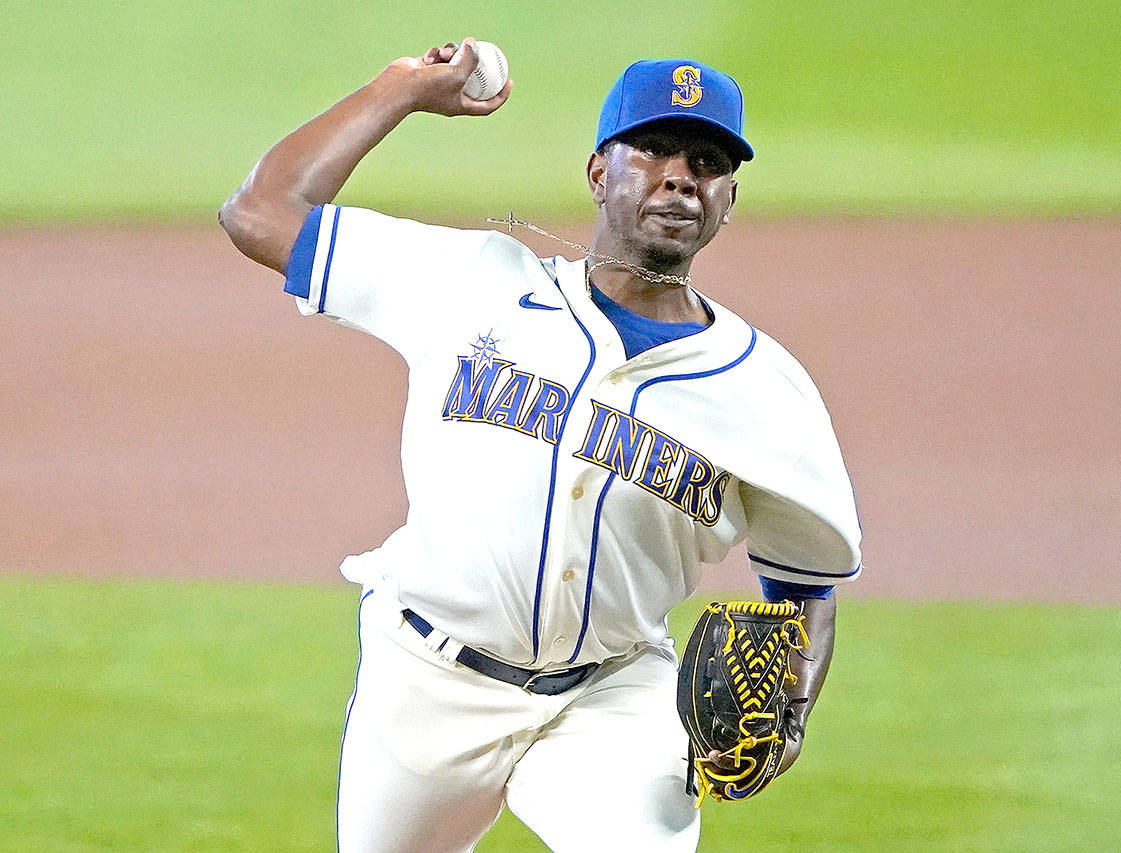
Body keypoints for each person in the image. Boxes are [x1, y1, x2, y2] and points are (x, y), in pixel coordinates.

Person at [219, 39, 862, 853]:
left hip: (612, 697)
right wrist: (401, 91)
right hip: (425, 679)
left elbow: (806, 580)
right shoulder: (472, 282)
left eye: (706, 161)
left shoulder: (768, 392)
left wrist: (793, 709)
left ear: (729, 197)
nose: (678, 176)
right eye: (654, 149)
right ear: (600, 173)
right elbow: (261, 210)